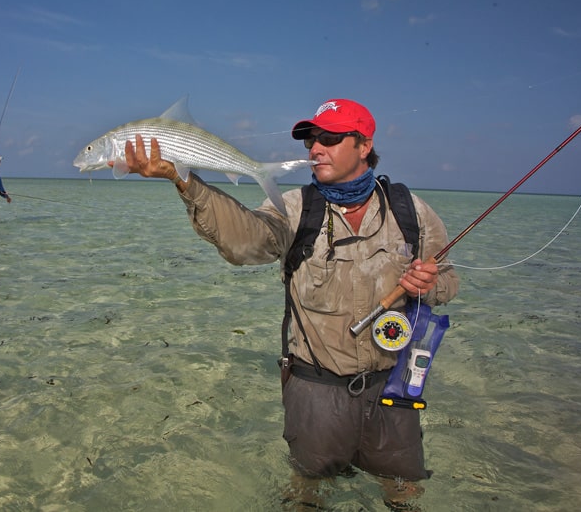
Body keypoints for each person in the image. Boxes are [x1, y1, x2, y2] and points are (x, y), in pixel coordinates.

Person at [117, 98, 459, 508]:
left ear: (364, 145)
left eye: (330, 139)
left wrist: (428, 284)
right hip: (314, 391)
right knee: (305, 496)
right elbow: (245, 242)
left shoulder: (412, 211)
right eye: (311, 140)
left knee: (405, 495)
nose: (315, 149)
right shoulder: (297, 207)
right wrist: (183, 181)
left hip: (395, 389)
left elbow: (448, 283)